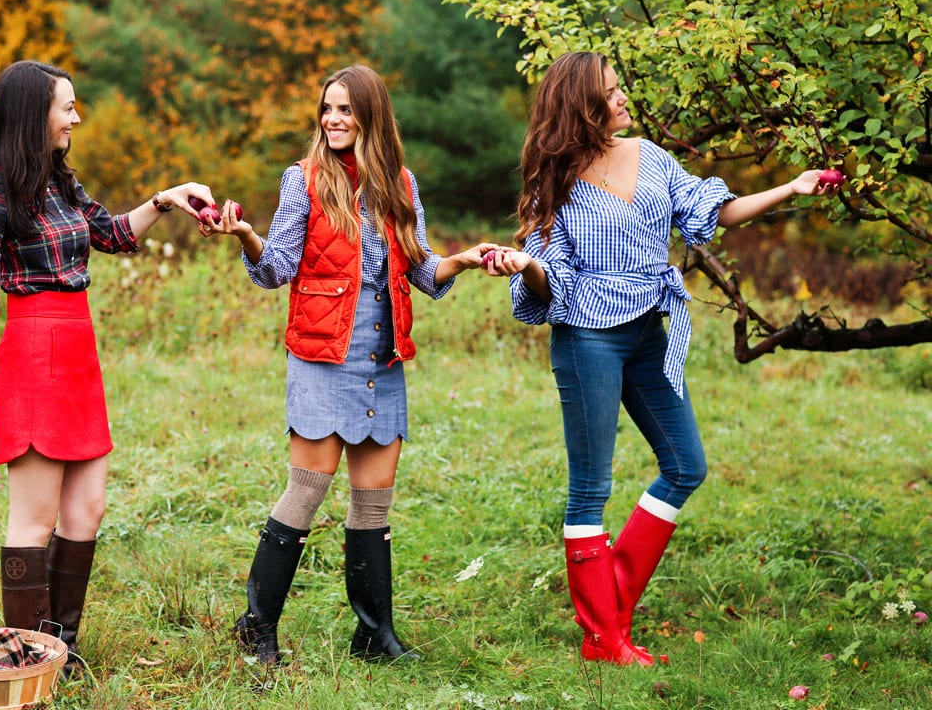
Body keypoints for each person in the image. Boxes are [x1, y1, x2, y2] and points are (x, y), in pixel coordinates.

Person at [483, 51, 835, 666]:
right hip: (587, 334)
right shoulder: (555, 181)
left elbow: (710, 213)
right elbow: (547, 283)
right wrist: (530, 267)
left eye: (620, 90)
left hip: (650, 330)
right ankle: (605, 640)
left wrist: (792, 187)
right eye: (611, 93)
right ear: (582, 106)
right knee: (589, 489)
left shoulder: (649, 156)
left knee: (686, 465)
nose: (623, 100)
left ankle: (610, 605)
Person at [0, 59, 218, 678]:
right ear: (35, 114)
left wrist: (166, 199)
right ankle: (28, 661)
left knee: (87, 510)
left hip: (79, 350)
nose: (76, 117)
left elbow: (112, 234)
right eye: (67, 106)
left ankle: (61, 650)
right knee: (33, 519)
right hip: (34, 351)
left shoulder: (60, 182)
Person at [209, 64, 498, 666]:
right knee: (307, 490)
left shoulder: (399, 182)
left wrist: (465, 261)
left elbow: (419, 271)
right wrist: (243, 234)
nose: (333, 119)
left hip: (382, 356)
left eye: (345, 109)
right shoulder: (304, 180)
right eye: (327, 108)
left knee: (373, 503)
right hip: (322, 355)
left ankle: (373, 636)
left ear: (372, 115)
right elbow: (277, 268)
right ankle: (256, 628)